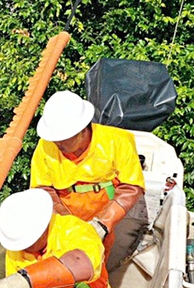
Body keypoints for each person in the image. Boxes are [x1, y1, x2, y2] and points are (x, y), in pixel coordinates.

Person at [31, 90, 148, 271]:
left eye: (62, 139)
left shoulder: (117, 141)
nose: (57, 144)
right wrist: (68, 225)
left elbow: (132, 186)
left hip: (104, 210)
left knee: (97, 260)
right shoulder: (46, 146)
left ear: (82, 130)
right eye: (54, 139)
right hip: (63, 212)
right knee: (63, 260)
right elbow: (42, 189)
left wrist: (103, 223)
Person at [0, 189, 116, 288]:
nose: (24, 249)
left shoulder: (75, 230)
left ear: (43, 229)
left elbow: (84, 263)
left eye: (28, 243)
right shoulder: (17, 250)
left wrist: (26, 279)